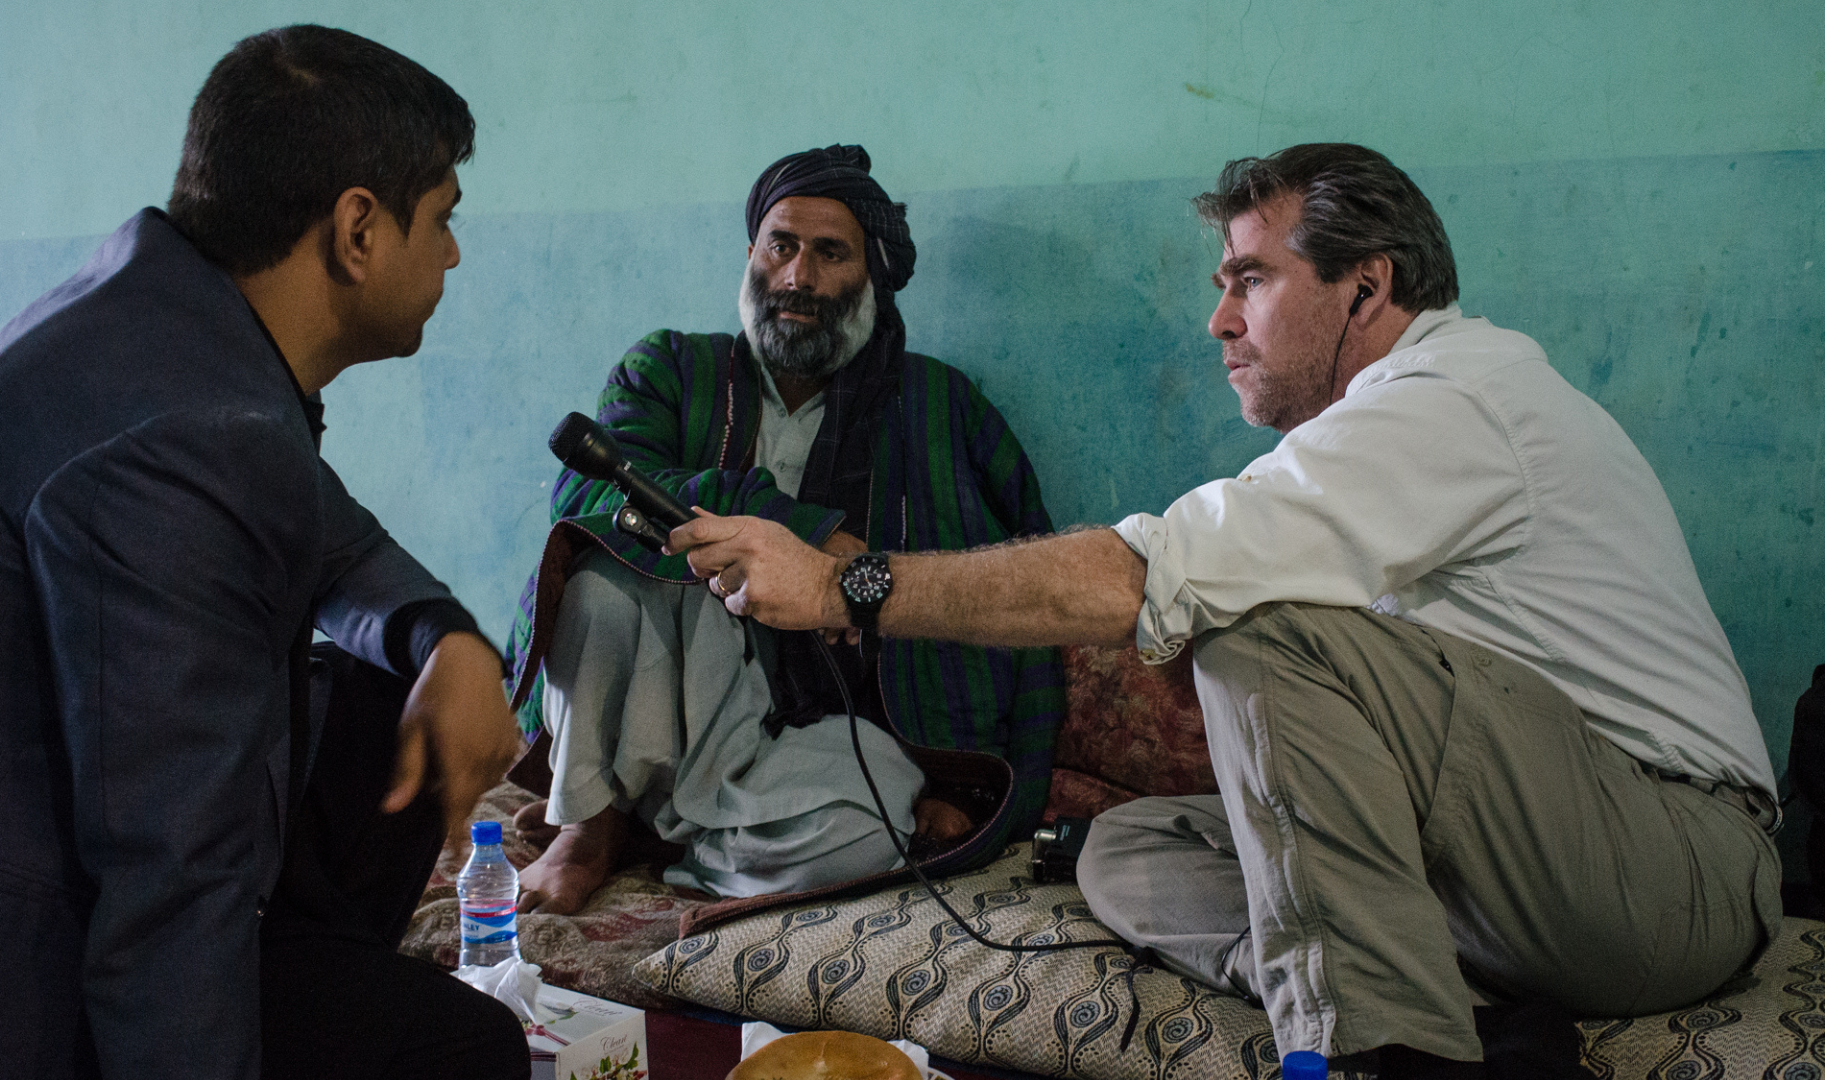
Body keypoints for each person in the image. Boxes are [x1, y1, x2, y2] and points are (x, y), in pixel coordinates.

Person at [667, 144, 1781, 1077]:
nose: (1218, 321)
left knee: (1262, 625)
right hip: (1534, 866)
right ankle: (1477, 1022)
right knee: (1128, 850)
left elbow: (1155, 575)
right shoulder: (1387, 426)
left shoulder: (1457, 401)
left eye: (1248, 279)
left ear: (1366, 287)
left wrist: (844, 587)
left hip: (1670, 865)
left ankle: (1381, 1054)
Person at [0, 26, 528, 1080]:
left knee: (386, 699)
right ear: (359, 231)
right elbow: (167, 880)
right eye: (444, 219)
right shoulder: (187, 433)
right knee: (464, 1051)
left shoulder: (165, 326)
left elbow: (329, 536)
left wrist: (446, 639)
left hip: (19, 848)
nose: (455, 255)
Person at [504, 145, 1064, 915]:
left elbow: (1020, 578)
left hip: (830, 716)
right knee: (602, 585)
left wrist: (979, 779)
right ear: (751, 255)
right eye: (781, 246)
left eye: (830, 253)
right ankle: (591, 827)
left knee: (873, 826)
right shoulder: (670, 369)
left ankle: (668, 837)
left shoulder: (939, 406)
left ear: (873, 278)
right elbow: (595, 492)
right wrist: (801, 534)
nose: (798, 277)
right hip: (683, 678)